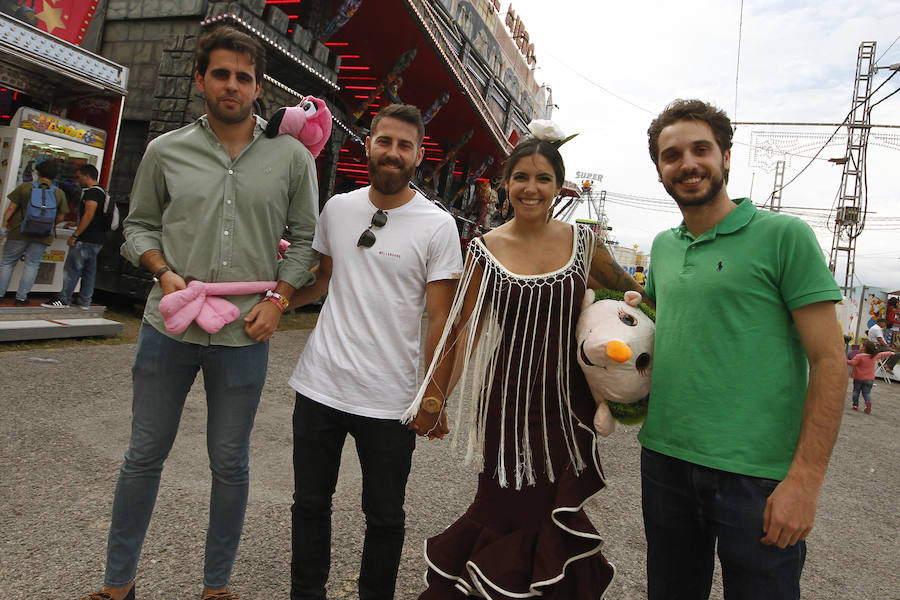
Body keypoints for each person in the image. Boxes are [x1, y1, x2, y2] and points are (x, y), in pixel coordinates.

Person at [81, 25, 319, 600]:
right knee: (142, 456)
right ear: (199, 79)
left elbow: (307, 240)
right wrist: (164, 273)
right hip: (170, 325)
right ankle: (118, 586)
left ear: (259, 87)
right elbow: (137, 226)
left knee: (230, 462)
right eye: (221, 74)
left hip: (245, 332)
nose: (232, 86)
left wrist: (279, 301)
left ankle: (216, 588)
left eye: (244, 77)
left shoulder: (289, 158)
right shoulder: (166, 151)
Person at [408, 134, 645, 599]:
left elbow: (630, 297)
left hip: (567, 408)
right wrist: (433, 399)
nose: (531, 188)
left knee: (548, 512)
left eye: (543, 178)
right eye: (521, 177)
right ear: (505, 184)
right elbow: (462, 333)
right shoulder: (484, 250)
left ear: (559, 187)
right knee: (502, 510)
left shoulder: (584, 243)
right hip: (508, 407)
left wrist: (630, 317)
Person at [640, 99, 847, 599]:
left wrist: (805, 482)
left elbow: (830, 362)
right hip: (665, 460)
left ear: (726, 157)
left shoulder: (784, 236)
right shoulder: (664, 247)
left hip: (757, 478)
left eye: (701, 149)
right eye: (672, 155)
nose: (687, 163)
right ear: (661, 171)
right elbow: (651, 329)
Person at [287, 103, 463, 600]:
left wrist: (434, 396)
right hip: (320, 384)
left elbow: (440, 320)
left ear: (418, 155)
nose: (392, 153)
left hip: (391, 399)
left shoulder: (437, 225)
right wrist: (274, 302)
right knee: (309, 504)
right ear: (369, 144)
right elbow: (319, 282)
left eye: (404, 145)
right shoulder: (338, 208)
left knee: (384, 515)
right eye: (384, 141)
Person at [0, 159, 68, 306]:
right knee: (32, 264)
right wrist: (49, 226)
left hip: (19, 231)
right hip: (43, 235)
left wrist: (4, 225)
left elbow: (11, 208)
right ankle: (21, 298)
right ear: (54, 176)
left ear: (38, 172)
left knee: (7, 263)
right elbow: (62, 216)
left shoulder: (25, 187)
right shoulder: (59, 193)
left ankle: (0, 294)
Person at [41, 164, 107, 309]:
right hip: (98, 239)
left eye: (78, 177)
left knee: (72, 268)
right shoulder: (102, 192)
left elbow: (89, 214)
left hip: (85, 238)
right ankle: (85, 301)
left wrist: (76, 234)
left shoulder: (92, 193)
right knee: (89, 271)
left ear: (87, 176)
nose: (76, 181)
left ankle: (63, 299)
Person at [847, 339, 892, 413]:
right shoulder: (874, 356)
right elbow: (883, 354)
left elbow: (852, 363)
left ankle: (855, 405)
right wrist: (891, 353)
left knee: (856, 391)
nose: (860, 346)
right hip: (870, 379)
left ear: (864, 348)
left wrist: (844, 360)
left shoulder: (859, 356)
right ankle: (868, 402)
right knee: (866, 392)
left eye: (861, 345)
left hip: (859, 377)